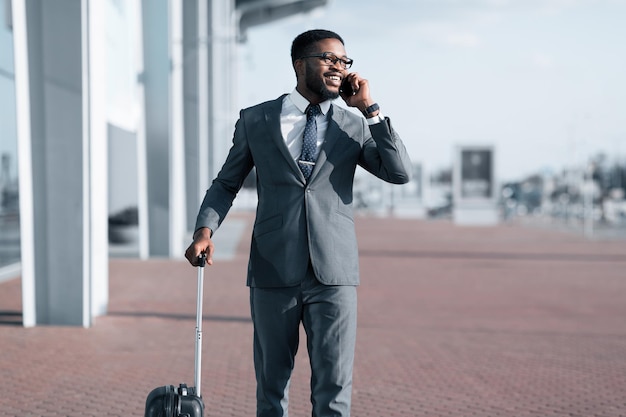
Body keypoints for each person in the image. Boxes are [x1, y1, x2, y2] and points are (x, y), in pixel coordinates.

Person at [185, 29, 412, 417]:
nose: (338, 68)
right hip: (274, 269)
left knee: (334, 388)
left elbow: (399, 173)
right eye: (329, 59)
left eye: (344, 62)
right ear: (299, 64)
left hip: (335, 273)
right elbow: (226, 183)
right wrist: (204, 231)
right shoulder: (256, 119)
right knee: (271, 386)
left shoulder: (353, 124)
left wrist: (370, 110)